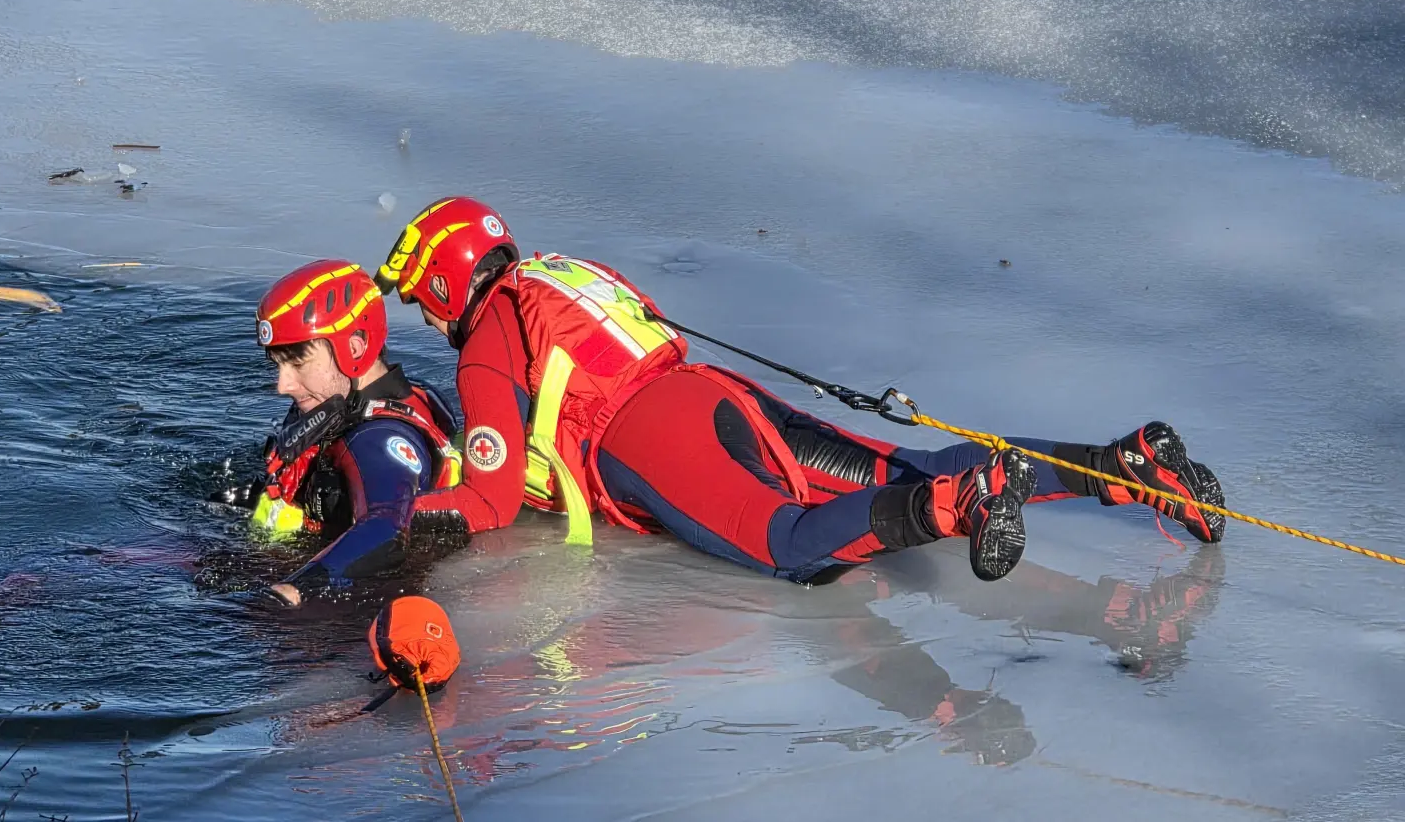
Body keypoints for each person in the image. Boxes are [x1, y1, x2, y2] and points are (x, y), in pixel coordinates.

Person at [373, 196, 1227, 584]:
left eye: (422, 302)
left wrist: (394, 523)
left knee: (788, 540)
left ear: (447, 287)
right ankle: (1124, 463)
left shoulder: (487, 335)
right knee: (900, 460)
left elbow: (486, 496)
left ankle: (952, 508)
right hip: (711, 392)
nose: (429, 319)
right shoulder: (564, 272)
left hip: (651, 438)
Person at [213, 259, 466, 608]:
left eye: (298, 364)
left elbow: (387, 529)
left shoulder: (377, 438)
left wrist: (292, 591)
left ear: (356, 348)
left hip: (343, 621)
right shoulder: (345, 404)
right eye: (278, 364)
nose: (283, 385)